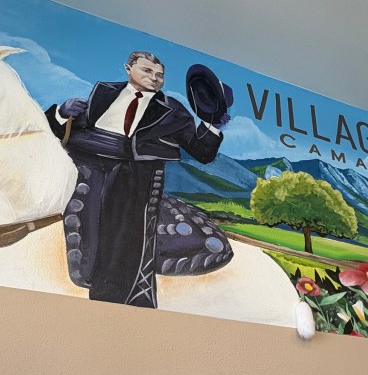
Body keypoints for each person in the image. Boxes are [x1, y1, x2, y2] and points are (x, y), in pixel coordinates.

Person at [46, 51, 230, 308]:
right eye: (147, 71)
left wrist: (213, 126)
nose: (155, 78)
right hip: (87, 162)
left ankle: (116, 297)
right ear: (128, 68)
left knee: (123, 238)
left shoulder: (173, 112)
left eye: (160, 75)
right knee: (87, 232)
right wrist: (61, 114)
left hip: (135, 174)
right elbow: (55, 130)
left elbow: (202, 152)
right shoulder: (102, 94)